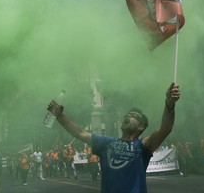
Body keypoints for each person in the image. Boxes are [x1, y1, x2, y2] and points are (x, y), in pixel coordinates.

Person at [47, 83, 180, 193]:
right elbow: (80, 133)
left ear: (141, 127)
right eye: (126, 115)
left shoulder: (142, 146)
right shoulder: (107, 143)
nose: (127, 117)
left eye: (133, 116)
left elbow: (165, 128)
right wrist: (60, 116)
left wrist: (169, 103)